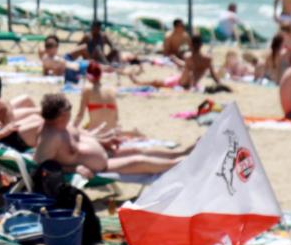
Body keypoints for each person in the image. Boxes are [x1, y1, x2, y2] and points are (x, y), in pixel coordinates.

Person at [35, 93, 184, 178]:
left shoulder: (64, 126)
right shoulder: (50, 137)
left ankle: (180, 153)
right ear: (61, 115)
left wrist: (103, 141)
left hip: (105, 152)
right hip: (102, 167)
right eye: (68, 110)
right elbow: (40, 165)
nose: (70, 112)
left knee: (139, 150)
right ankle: (180, 164)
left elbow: (81, 137)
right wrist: (74, 169)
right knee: (140, 160)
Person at [131, 35, 222, 91]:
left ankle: (138, 82)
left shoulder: (188, 56)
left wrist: (190, 87)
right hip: (190, 83)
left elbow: (189, 71)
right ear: (201, 45)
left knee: (156, 82)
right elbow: (213, 75)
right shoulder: (207, 59)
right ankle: (138, 82)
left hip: (181, 82)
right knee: (160, 81)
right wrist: (220, 84)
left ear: (191, 45)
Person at [72, 61, 118, 131]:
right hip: (112, 132)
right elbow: (116, 117)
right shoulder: (111, 90)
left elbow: (80, 115)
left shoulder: (87, 90)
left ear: (88, 75)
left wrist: (72, 130)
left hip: (96, 133)